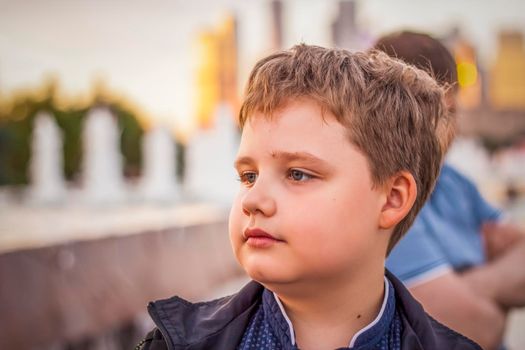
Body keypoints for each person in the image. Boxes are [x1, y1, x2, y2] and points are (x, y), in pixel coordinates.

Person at [137, 44, 480, 349]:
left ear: (392, 199)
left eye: (298, 174)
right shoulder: (174, 342)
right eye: (248, 176)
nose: (253, 200)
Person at [375, 31, 525, 350]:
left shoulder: (454, 181)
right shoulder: (384, 201)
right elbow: (473, 331)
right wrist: (497, 290)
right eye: (443, 112)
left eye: (452, 113)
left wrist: (468, 290)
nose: (450, 128)